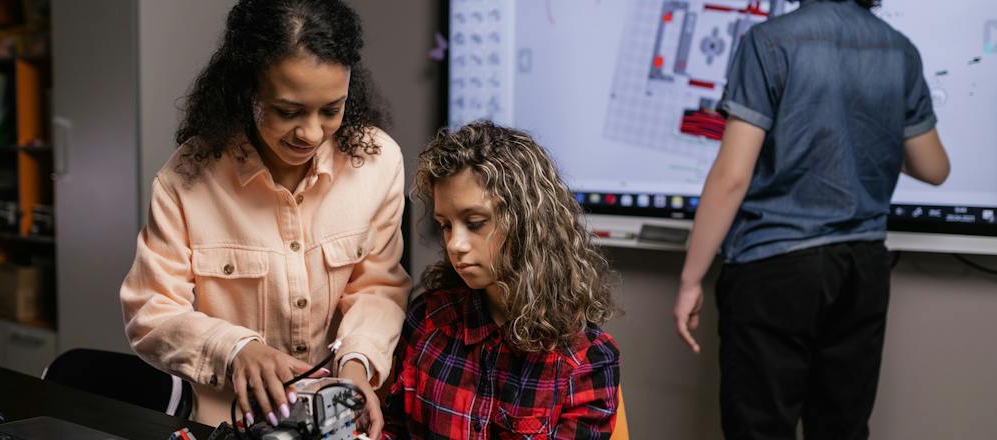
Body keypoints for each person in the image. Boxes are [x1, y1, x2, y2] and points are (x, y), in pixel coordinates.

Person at [119, 0, 410, 434]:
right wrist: (235, 350)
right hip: (228, 426)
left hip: (337, 423)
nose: (311, 133)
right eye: (288, 111)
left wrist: (355, 369)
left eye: (332, 109)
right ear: (246, 91)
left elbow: (378, 287)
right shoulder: (186, 179)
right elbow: (151, 311)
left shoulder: (378, 163)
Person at [672, 0, 950, 439]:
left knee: (759, 430)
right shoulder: (900, 50)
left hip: (774, 269)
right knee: (842, 428)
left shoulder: (769, 42)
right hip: (863, 270)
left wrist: (691, 280)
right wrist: (863, 137)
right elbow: (934, 168)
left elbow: (731, 176)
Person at [382, 121, 621, 439]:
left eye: (475, 223)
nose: (455, 244)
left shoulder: (586, 360)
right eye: (446, 225)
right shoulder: (427, 318)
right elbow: (393, 430)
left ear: (526, 222)